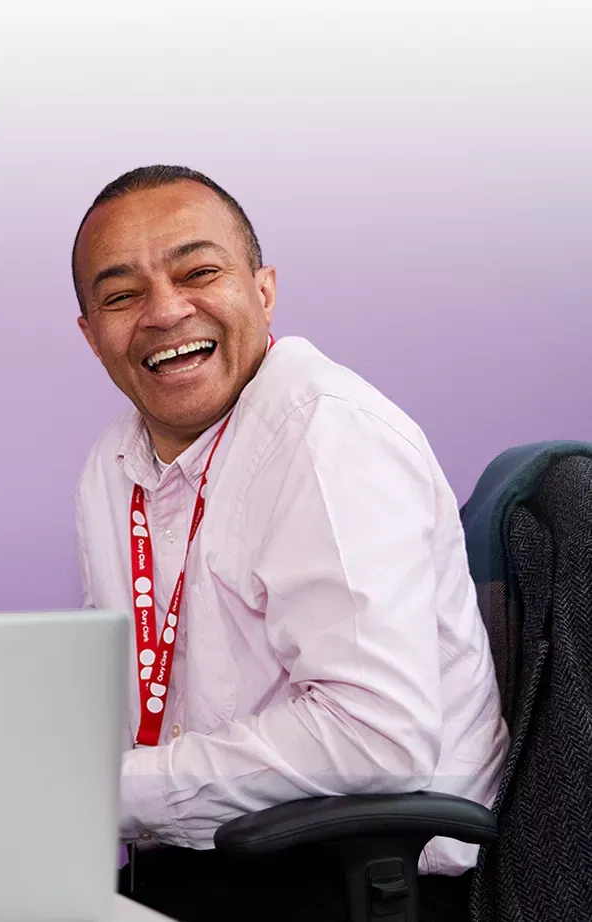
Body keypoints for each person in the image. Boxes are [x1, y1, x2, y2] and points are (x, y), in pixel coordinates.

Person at [71, 165, 509, 922]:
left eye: (198, 271)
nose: (165, 310)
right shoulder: (113, 466)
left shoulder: (328, 437)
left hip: (352, 882)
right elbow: (130, 691)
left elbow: (376, 737)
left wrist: (109, 793)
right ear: (91, 335)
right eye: (120, 295)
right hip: (193, 862)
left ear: (263, 289)